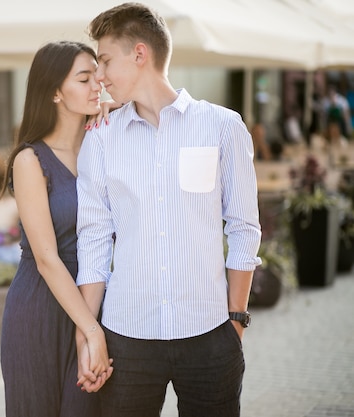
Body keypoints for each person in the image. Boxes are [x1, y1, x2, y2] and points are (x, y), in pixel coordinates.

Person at [75, 3, 262, 416]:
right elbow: (93, 242)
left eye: (105, 60)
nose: (100, 76)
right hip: (127, 336)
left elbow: (245, 228)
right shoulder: (101, 139)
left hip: (211, 334)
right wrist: (90, 335)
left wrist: (235, 321)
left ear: (139, 54)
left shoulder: (222, 126)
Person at [0, 40, 114, 417]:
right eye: (84, 79)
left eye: (97, 77)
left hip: (97, 298)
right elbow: (47, 258)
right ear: (53, 92)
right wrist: (91, 330)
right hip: (41, 309)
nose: (97, 85)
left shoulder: (106, 144)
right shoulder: (30, 160)